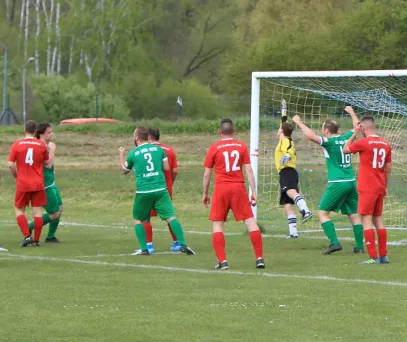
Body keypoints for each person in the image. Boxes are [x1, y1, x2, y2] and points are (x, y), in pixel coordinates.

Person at [291, 107, 364, 255]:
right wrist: (351, 113)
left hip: (338, 183)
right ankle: (359, 246)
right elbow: (357, 126)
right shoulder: (346, 137)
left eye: (322, 128)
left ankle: (334, 243)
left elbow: (311, 136)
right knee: (353, 214)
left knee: (322, 213)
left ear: (326, 131)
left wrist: (298, 122)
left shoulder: (329, 142)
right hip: (351, 181)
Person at [119, 127, 194, 256]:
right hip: (160, 189)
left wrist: (121, 155)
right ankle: (182, 244)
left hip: (144, 191)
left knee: (138, 219)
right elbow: (167, 168)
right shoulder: (159, 150)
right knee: (171, 217)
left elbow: (124, 170)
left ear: (137, 138)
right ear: (147, 137)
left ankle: (144, 249)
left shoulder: (133, 153)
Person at [203, 119, 264, 270]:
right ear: (233, 130)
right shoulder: (241, 145)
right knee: (250, 221)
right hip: (238, 188)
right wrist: (254, 191)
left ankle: (222, 261)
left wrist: (205, 193)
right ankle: (259, 258)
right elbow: (248, 169)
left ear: (220, 131)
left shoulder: (214, 147)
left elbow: (207, 174)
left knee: (217, 223)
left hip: (221, 188)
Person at [343, 116, 392, 265]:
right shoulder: (386, 143)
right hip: (379, 186)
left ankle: (373, 257)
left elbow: (345, 149)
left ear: (363, 128)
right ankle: (383, 256)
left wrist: (354, 133)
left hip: (367, 187)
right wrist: (385, 186)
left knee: (366, 219)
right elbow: (388, 168)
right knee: (378, 219)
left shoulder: (363, 142)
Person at [132, 127, 180, 254]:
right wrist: (171, 182)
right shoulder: (169, 150)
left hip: (148, 187)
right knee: (170, 216)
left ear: (149, 137)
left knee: (145, 216)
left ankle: (148, 245)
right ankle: (177, 242)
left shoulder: (141, 151)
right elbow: (174, 170)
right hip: (165, 188)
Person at [8, 120, 51, 247]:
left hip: (23, 183)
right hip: (37, 183)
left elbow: (10, 165)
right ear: (36, 131)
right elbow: (47, 163)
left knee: (19, 209)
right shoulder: (41, 145)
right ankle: (36, 240)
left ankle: (27, 236)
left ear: (25, 130)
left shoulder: (17, 144)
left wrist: (17, 176)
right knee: (37, 211)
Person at [275, 99, 313, 238]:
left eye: (279, 129)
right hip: (284, 173)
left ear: (282, 132)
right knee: (287, 204)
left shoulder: (286, 141)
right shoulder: (283, 138)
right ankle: (293, 233)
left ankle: (305, 210)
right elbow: (283, 123)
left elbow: (289, 152)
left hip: (288, 171)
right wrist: (284, 111)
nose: (278, 130)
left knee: (291, 192)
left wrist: (285, 157)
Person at [23, 123, 63, 243]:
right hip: (44, 185)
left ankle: (50, 236)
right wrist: (53, 150)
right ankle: (28, 228)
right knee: (54, 213)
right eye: (49, 132)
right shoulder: (41, 146)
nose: (52, 134)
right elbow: (48, 164)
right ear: (41, 135)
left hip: (51, 182)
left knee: (60, 208)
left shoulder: (44, 145)